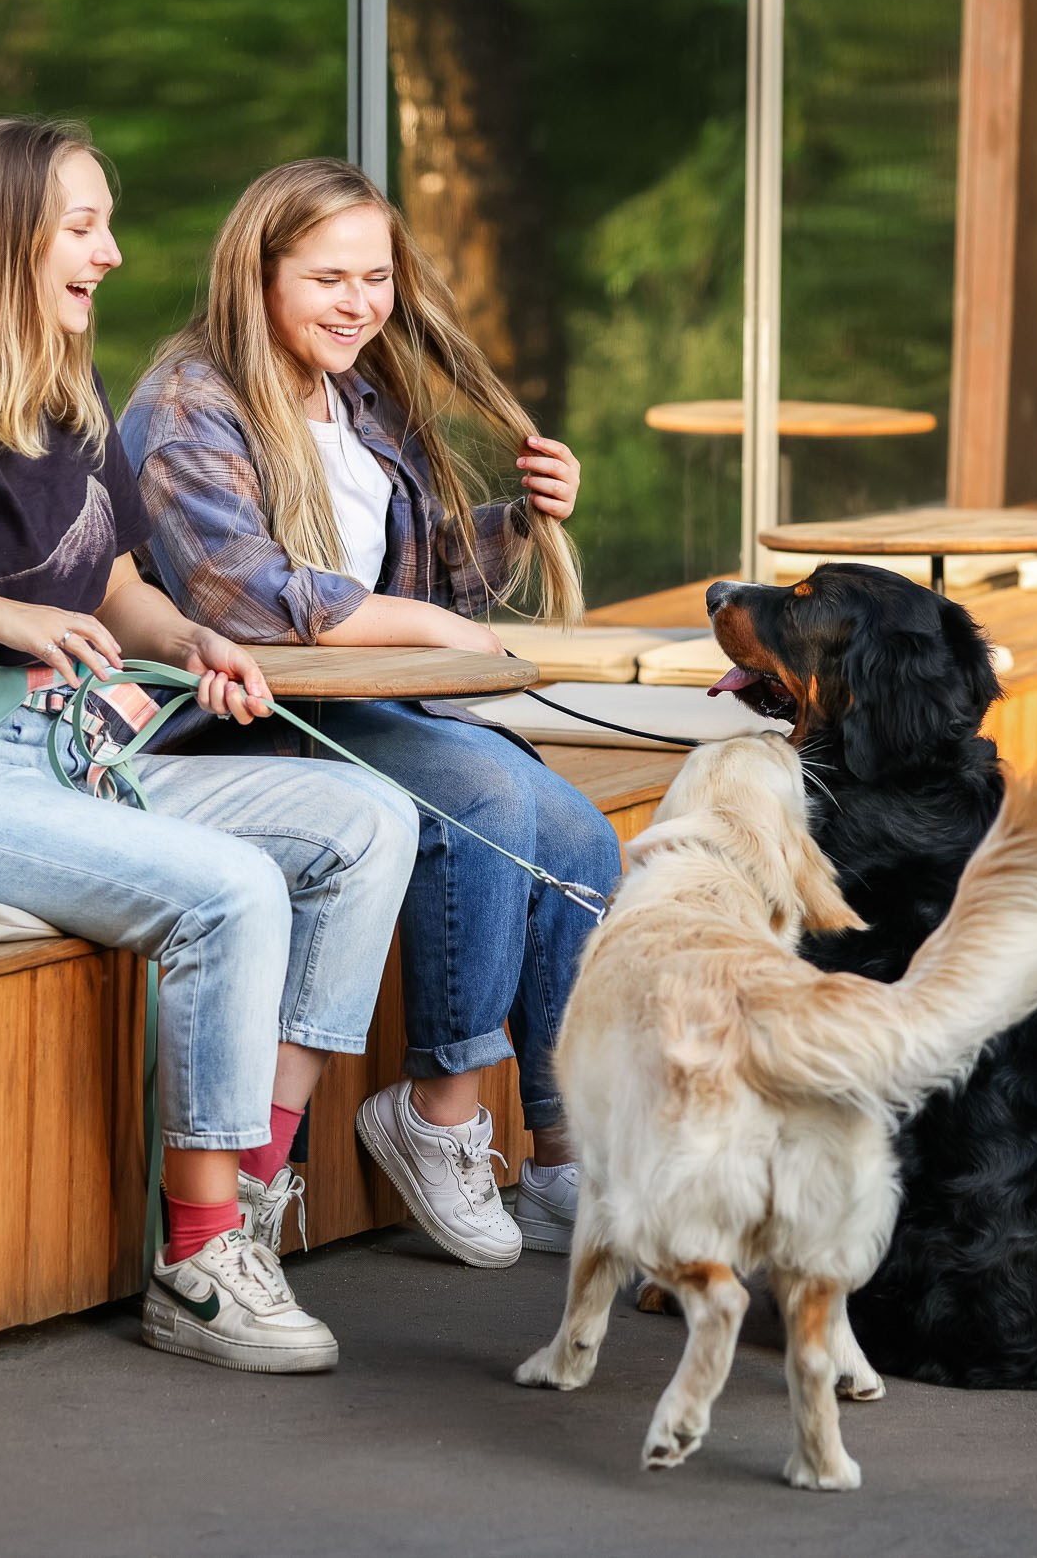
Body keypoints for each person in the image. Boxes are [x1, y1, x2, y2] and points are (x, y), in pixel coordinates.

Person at [0, 118, 416, 1374]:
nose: (109, 253)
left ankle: (258, 1189)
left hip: (68, 753)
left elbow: (111, 577)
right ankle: (197, 1257)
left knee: (370, 816)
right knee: (231, 886)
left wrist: (194, 641)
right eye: (83, 223)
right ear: (3, 231)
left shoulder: (60, 380)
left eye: (105, 222)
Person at [119, 157, 620, 1269]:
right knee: (484, 791)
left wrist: (518, 522)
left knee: (583, 834)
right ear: (256, 275)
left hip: (359, 700)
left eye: (377, 277)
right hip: (238, 717)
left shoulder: (354, 398)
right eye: (329, 278)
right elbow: (242, 599)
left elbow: (422, 579)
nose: (360, 304)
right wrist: (437, 632)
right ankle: (436, 1114)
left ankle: (558, 1155)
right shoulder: (187, 404)